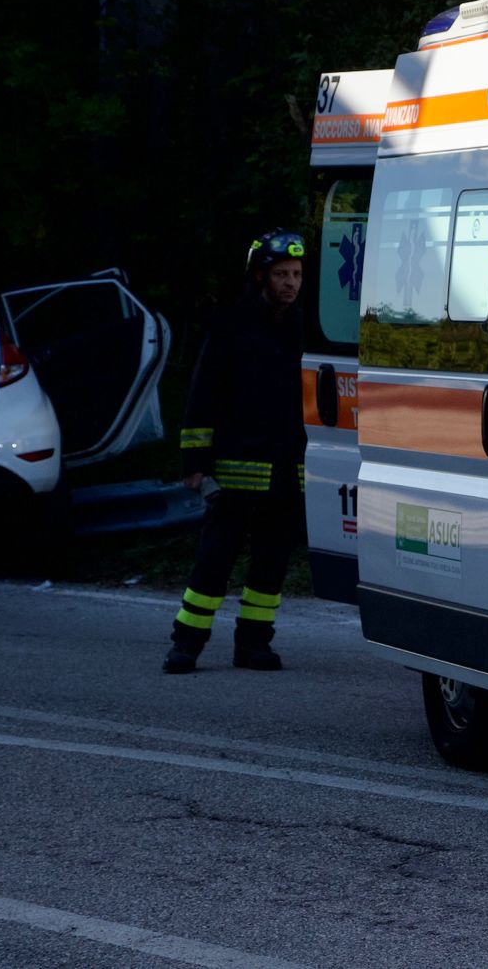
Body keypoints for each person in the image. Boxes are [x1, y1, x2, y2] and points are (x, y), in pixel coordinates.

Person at [162, 231, 309, 674]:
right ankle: (186, 645)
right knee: (214, 562)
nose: (290, 283)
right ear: (260, 276)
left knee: (271, 564)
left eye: (297, 275)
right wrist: (194, 464)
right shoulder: (232, 325)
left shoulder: (305, 327)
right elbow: (202, 395)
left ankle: (253, 645)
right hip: (236, 471)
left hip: (287, 472)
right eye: (281, 274)